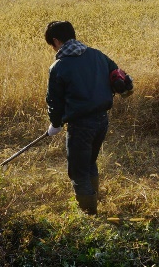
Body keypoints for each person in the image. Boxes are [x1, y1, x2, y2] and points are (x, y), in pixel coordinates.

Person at [44, 20, 121, 215]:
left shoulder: (59, 67)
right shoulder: (97, 55)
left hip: (80, 126)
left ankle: (89, 215)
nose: (52, 48)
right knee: (89, 162)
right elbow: (117, 76)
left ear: (56, 41)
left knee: (78, 170)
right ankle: (93, 198)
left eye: (51, 45)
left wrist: (55, 123)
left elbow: (55, 101)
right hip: (102, 120)